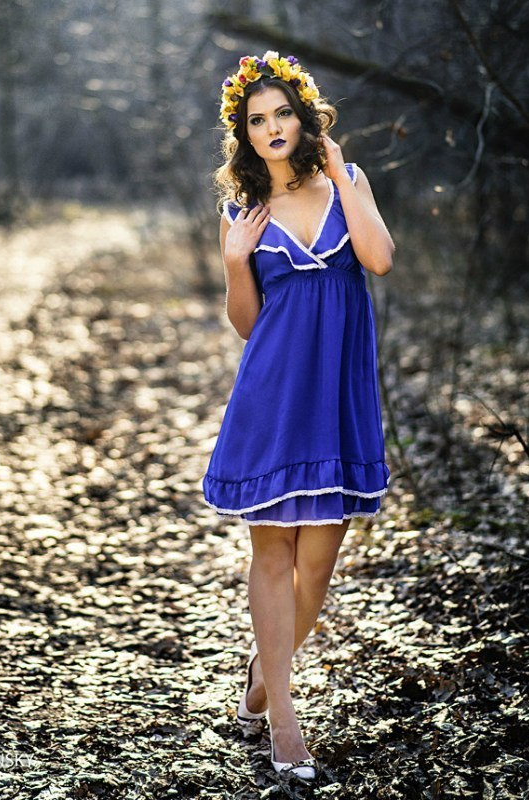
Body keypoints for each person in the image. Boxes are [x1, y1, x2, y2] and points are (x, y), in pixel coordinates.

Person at [202, 51, 395, 782]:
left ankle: (262, 674)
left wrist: (343, 173)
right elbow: (248, 324)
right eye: (257, 120)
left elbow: (377, 259)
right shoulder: (243, 214)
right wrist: (232, 261)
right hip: (273, 396)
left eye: (283, 113)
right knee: (272, 556)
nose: (272, 127)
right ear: (245, 136)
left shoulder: (347, 184)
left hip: (337, 400)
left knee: (317, 565)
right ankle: (284, 722)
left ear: (305, 117)